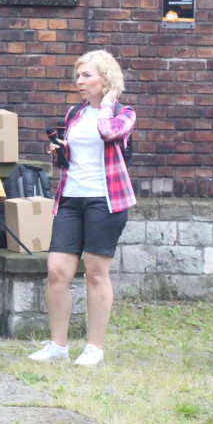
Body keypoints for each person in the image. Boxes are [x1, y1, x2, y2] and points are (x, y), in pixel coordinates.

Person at [28, 49, 135, 367]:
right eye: (78, 75)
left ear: (107, 78)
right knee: (57, 270)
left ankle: (94, 348)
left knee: (95, 272)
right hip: (70, 199)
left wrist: (105, 105)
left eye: (87, 75)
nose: (80, 81)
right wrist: (57, 152)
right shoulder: (73, 115)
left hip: (106, 200)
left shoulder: (123, 113)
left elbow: (107, 132)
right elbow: (71, 160)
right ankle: (57, 346)